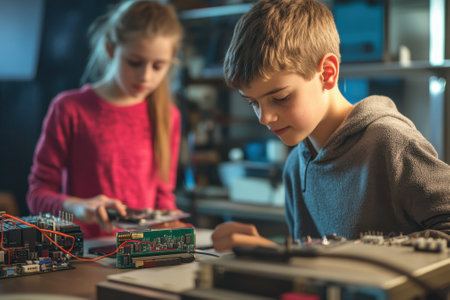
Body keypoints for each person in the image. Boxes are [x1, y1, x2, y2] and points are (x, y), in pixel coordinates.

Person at [212, 0, 450, 252]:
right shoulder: (295, 167)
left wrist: (357, 252)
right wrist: (273, 254)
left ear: (327, 73)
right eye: (253, 103)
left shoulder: (390, 142)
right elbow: (317, 271)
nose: (264, 117)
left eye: (280, 98)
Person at [27, 0, 183, 238]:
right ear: (111, 49)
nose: (145, 76)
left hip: (142, 257)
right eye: (135, 62)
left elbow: (163, 197)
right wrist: (78, 207)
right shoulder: (70, 109)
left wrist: (171, 223)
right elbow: (37, 196)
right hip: (84, 256)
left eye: (158, 66)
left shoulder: (168, 116)